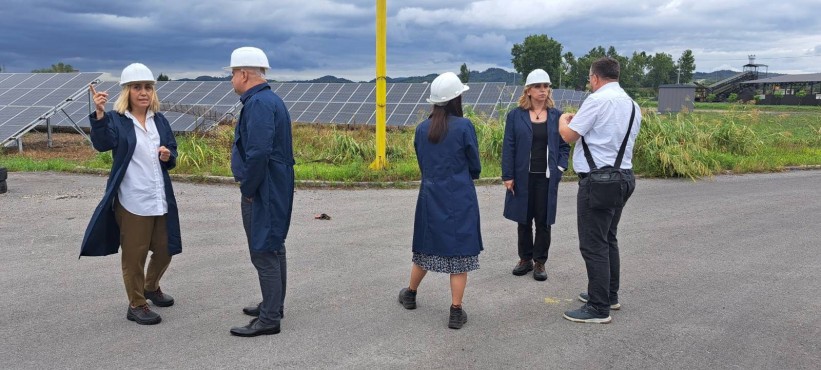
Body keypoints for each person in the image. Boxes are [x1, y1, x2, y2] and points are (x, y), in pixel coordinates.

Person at [80, 63, 181, 325]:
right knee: (134, 256)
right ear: (127, 91)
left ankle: (150, 286)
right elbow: (103, 144)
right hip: (132, 200)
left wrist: (169, 156)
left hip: (159, 197)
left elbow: (171, 150)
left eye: (148, 87)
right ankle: (136, 304)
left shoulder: (160, 120)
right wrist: (100, 114)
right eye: (137, 87)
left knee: (165, 248)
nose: (144, 92)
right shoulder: (116, 120)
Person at [558, 57, 641, 324]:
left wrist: (563, 120)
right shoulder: (632, 105)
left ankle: (598, 307)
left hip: (598, 181)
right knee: (608, 238)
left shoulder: (596, 101)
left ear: (595, 78)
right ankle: (608, 295)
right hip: (624, 177)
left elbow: (570, 135)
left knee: (593, 244)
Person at [397, 72, 482, 330]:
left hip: (430, 196)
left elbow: (423, 164)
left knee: (424, 249)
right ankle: (455, 311)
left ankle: (410, 294)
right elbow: (474, 166)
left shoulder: (422, 129)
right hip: (460, 198)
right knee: (460, 255)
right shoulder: (464, 126)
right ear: (457, 98)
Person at [226, 47, 295, 337]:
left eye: (232, 74)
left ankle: (269, 319)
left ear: (243, 73)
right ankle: (273, 305)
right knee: (274, 246)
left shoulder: (258, 104)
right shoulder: (268, 100)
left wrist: (248, 187)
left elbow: (258, 153)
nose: (231, 80)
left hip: (264, 189)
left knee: (264, 250)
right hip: (274, 185)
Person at [502, 69, 570, 281]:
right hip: (523, 177)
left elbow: (564, 145)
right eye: (538, 87)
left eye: (546, 86)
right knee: (523, 219)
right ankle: (525, 259)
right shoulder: (515, 116)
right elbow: (509, 147)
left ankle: (540, 262)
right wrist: (508, 175)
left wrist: (560, 168)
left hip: (547, 177)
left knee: (543, 221)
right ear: (528, 91)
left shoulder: (556, 116)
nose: (543, 90)